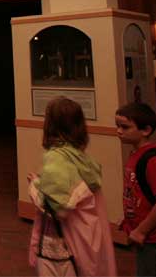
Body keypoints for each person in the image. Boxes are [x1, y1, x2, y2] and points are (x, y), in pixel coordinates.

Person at [27, 97, 116, 276]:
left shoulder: (56, 159)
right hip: (87, 242)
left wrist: (34, 185)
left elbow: (58, 209)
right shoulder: (83, 159)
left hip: (61, 246)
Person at [117, 102, 156, 277]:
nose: (119, 131)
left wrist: (142, 230)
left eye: (125, 127)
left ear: (146, 130)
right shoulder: (135, 155)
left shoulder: (154, 162)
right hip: (146, 236)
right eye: (118, 126)